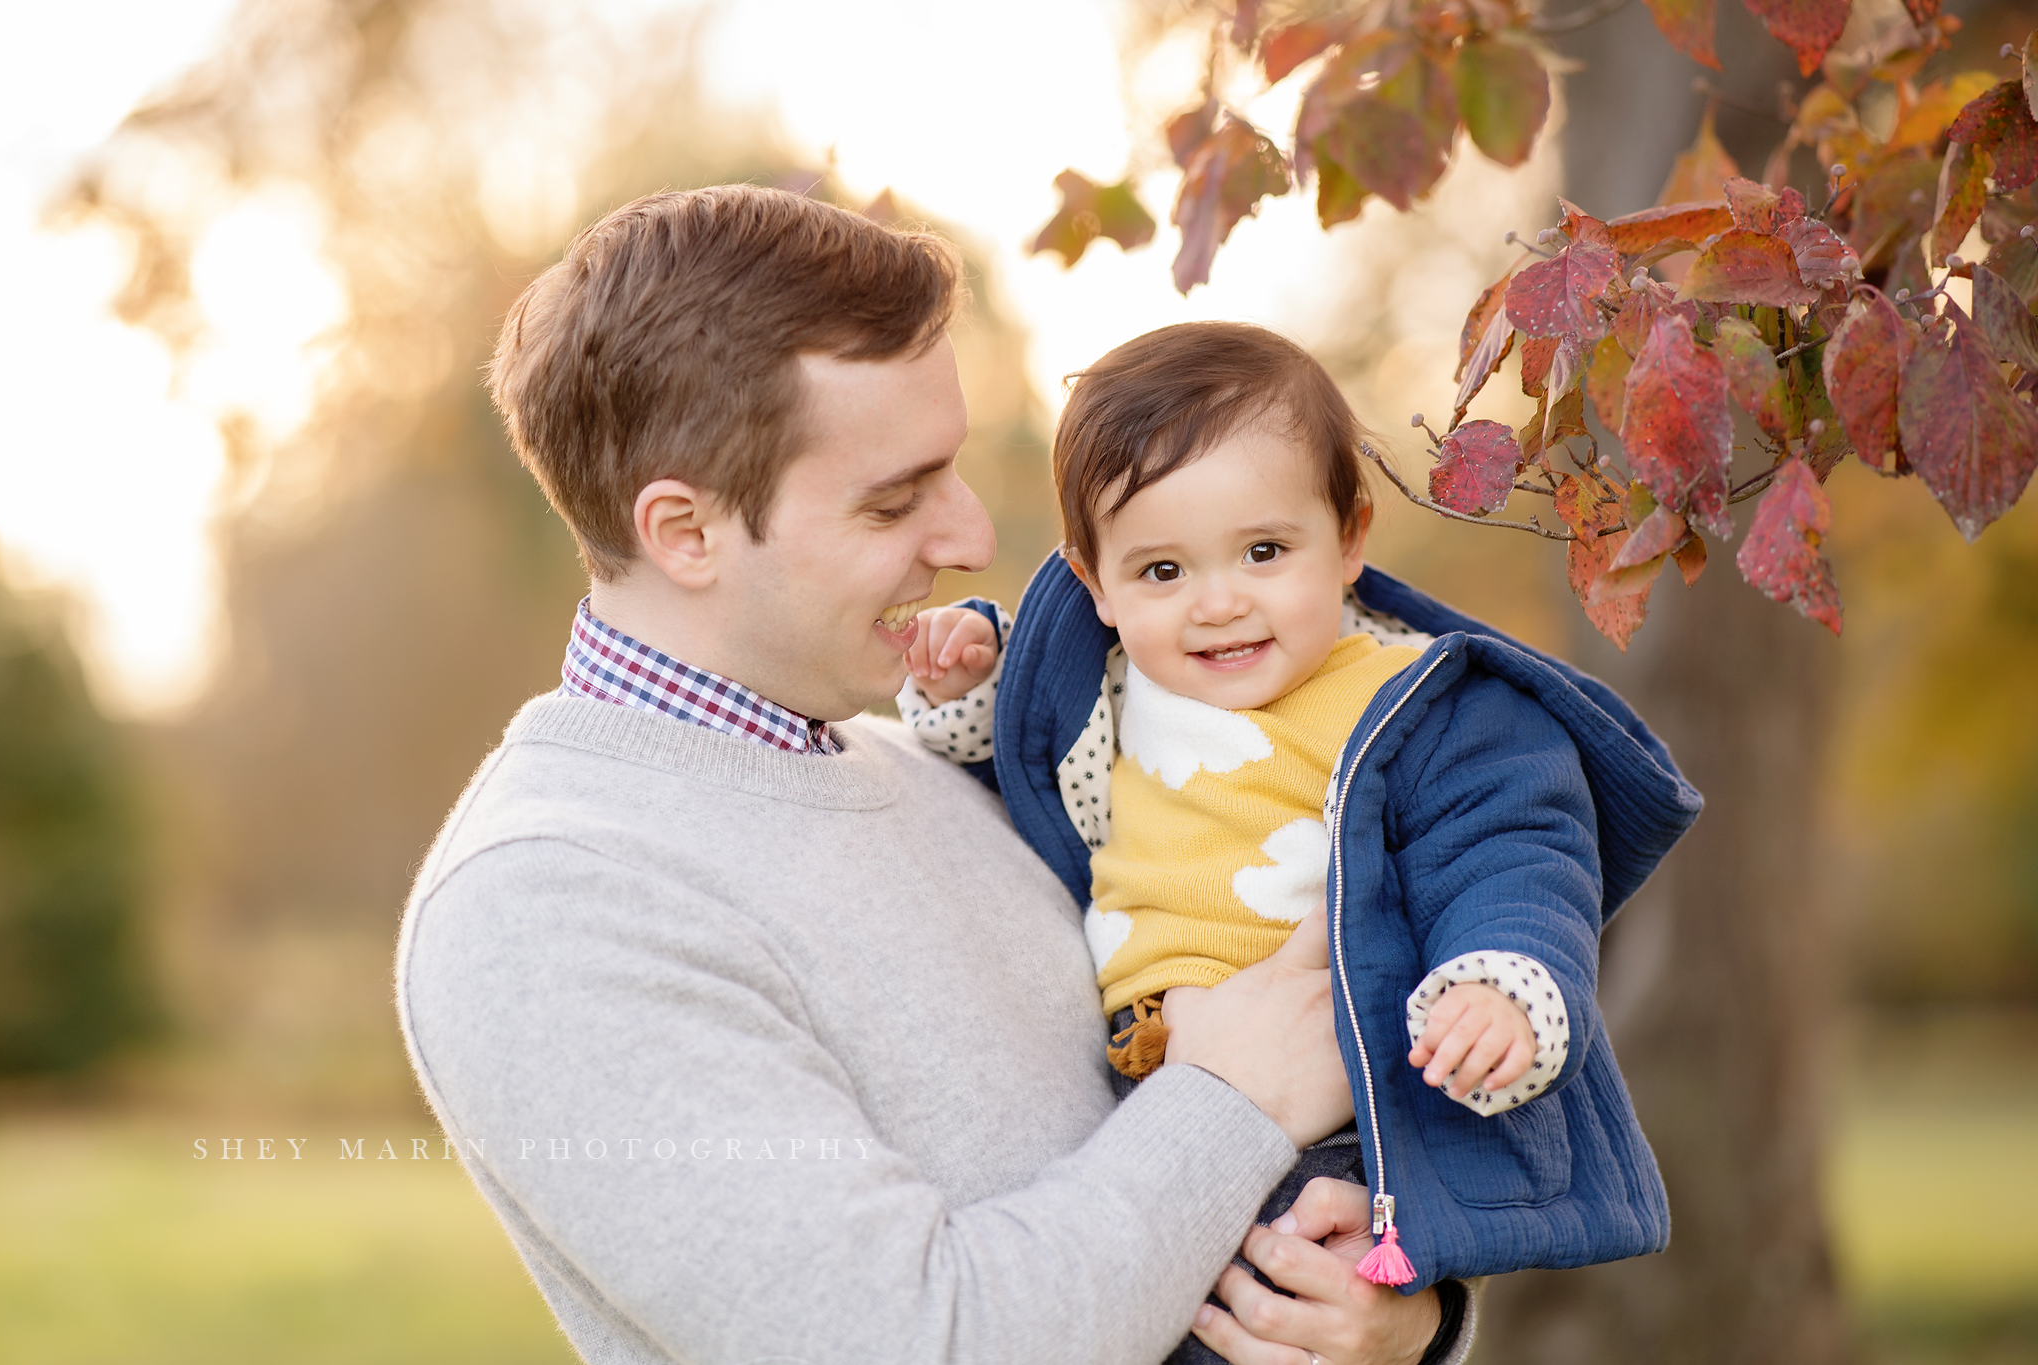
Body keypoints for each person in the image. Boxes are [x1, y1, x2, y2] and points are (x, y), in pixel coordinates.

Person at [396, 185, 1472, 1365]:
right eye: (892, 500)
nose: (966, 537)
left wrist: (1400, 1322)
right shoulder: (547, 903)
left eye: (948, 470)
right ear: (684, 531)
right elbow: (918, 1340)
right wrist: (1238, 1101)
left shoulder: (961, 776)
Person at [901, 322, 1703, 1355]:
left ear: (1350, 537)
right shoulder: (1095, 698)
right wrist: (968, 679)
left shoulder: (1412, 703)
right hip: (1139, 1107)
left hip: (1331, 1123)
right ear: (1092, 583)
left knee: (1268, 1317)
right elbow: (1014, 769)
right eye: (1159, 572)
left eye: (1265, 551)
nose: (1218, 602)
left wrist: (1495, 982)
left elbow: (1509, 847)